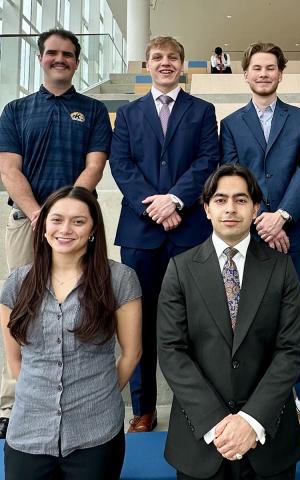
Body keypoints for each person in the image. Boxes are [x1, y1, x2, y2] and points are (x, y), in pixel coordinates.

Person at [158, 164, 300, 480]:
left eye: (241, 200)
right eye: (221, 199)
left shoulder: (281, 268)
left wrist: (251, 421)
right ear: (207, 208)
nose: (230, 208)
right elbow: (172, 352)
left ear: (255, 208)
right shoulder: (180, 269)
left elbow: (291, 350)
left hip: (269, 438)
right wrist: (218, 424)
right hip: (201, 441)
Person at [0, 28, 111, 438]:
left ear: (77, 62)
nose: (59, 59)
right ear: (41, 58)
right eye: (52, 53)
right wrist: (38, 214)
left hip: (78, 226)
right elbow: (9, 169)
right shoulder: (15, 110)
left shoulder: (94, 110)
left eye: (67, 54)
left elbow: (94, 166)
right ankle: (13, 401)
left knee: (84, 304)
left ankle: (81, 397)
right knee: (21, 307)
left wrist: (66, 215)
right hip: (26, 223)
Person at [109, 35, 219, 432]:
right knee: (140, 320)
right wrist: (153, 206)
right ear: (147, 64)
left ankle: (195, 407)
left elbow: (209, 160)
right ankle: (143, 408)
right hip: (141, 233)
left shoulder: (203, 111)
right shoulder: (128, 112)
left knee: (195, 321)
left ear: (183, 64)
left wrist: (174, 200)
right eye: (158, 57)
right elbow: (121, 166)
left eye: (173, 57)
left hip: (188, 228)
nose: (166, 63)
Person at [0, 186, 142, 479]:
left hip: (95, 432)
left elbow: (132, 353)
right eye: (57, 219)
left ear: (93, 230)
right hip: (29, 431)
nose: (65, 229)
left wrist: (98, 393)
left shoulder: (119, 280)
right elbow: (15, 361)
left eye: (78, 221)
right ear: (42, 226)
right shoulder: (17, 283)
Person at [220, 42, 300, 425]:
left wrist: (281, 215)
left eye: (270, 68)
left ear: (281, 74)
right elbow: (233, 177)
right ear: (246, 74)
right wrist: (261, 219)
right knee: (251, 318)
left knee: (297, 315)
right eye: (257, 68)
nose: (263, 74)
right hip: (248, 235)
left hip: (292, 232)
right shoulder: (231, 124)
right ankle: (257, 397)